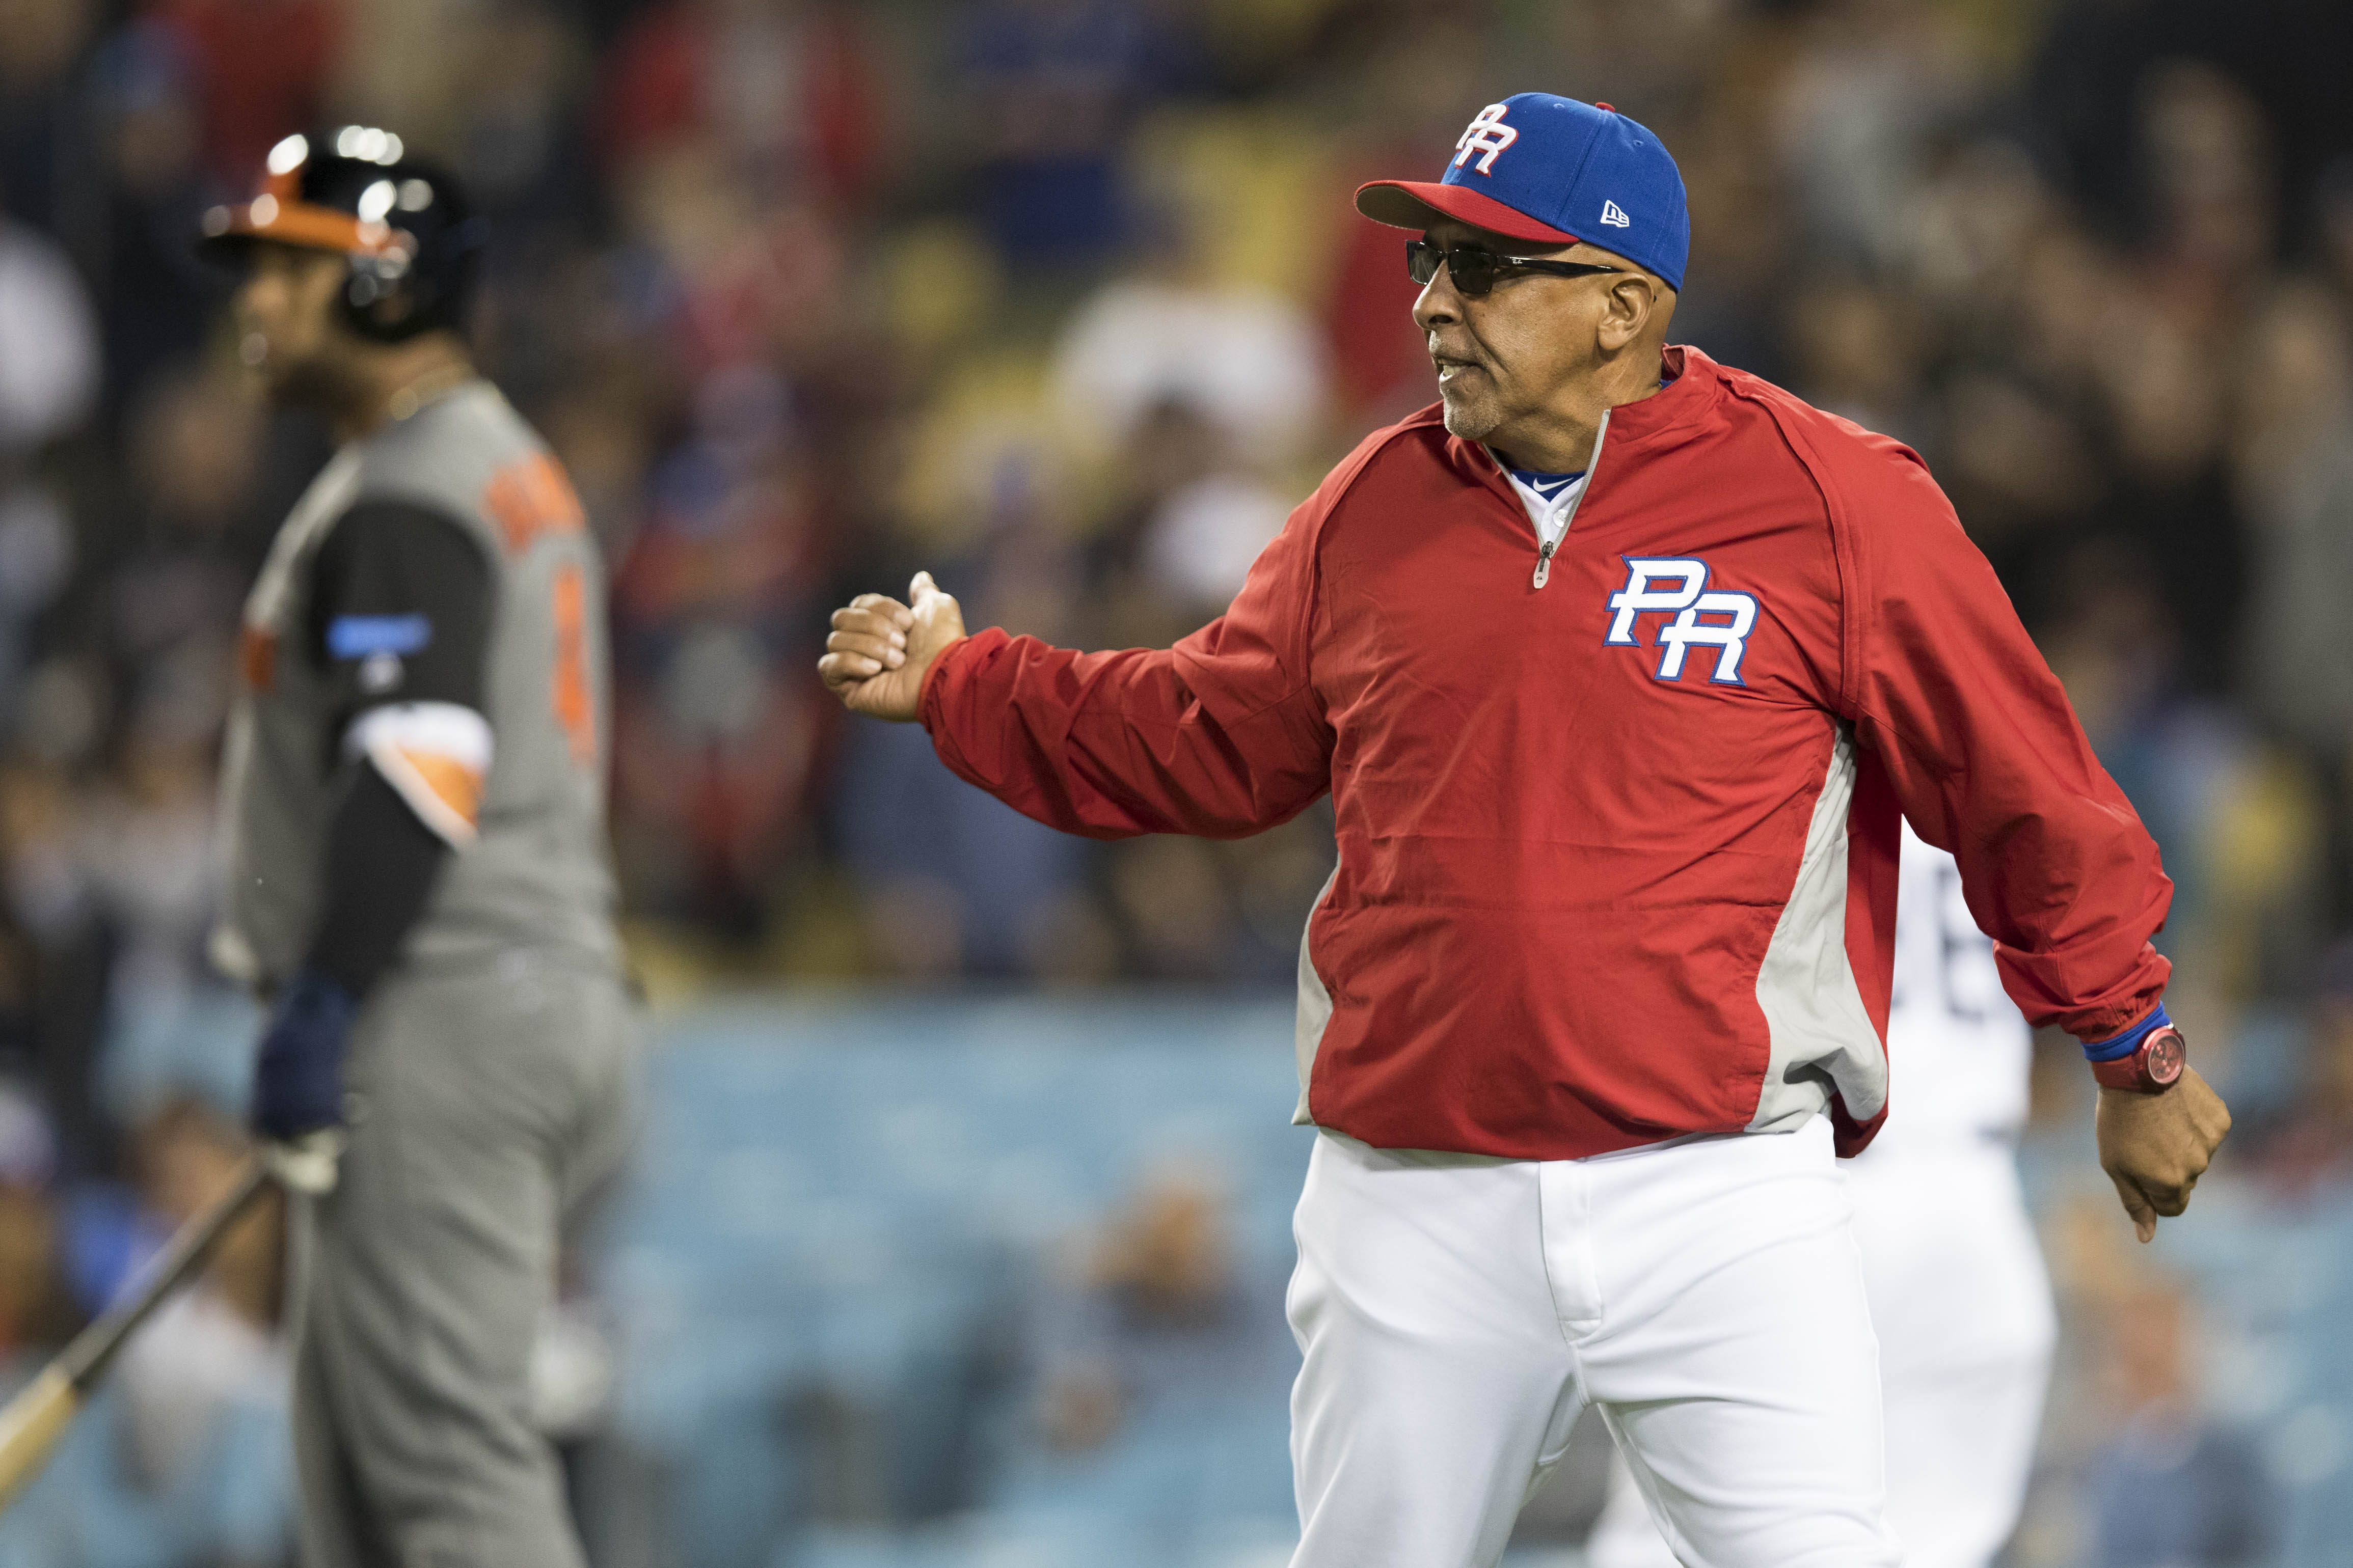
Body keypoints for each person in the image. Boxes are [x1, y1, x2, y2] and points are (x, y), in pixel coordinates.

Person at [818, 93, 2232, 1567]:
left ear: (1623, 305)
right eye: (1430, 259)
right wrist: (964, 684)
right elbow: (1200, 734)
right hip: (1414, 1195)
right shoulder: (1369, 506)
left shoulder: (1829, 500)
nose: (1432, 301)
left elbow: (2018, 779)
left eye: (1486, 268)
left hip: (1719, 1189)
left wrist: (2132, 1047)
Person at [200, 127, 634, 1568]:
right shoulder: (487, 461)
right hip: (514, 988)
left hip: (433, 1002)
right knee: (367, 1492)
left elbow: (416, 763)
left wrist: (323, 994)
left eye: (286, 266)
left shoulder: (405, 490)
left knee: (447, 1489)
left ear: (383, 280)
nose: (254, 297)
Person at [1586, 823, 2056, 1568]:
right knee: (1934, 1543)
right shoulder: (1981, 757)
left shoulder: (1778, 742)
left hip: (1809, 1186)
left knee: (1674, 1540)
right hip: (1977, 1200)